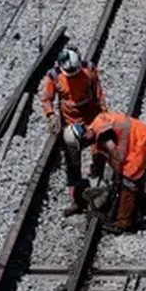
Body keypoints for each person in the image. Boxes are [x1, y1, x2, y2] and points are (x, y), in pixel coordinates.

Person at [41, 44, 107, 216]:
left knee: (99, 152)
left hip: (92, 119)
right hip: (70, 123)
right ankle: (76, 199)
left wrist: (104, 117)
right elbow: (47, 99)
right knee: (72, 163)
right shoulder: (54, 76)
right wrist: (51, 115)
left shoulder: (90, 70)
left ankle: (99, 188)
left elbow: (99, 95)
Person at [77, 111, 146, 233]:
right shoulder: (96, 124)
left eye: (84, 142)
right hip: (139, 135)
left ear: (85, 134)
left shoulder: (103, 136)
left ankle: (123, 224)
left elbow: (116, 157)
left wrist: (118, 178)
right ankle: (142, 211)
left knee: (129, 181)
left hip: (140, 142)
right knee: (135, 180)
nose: (86, 145)